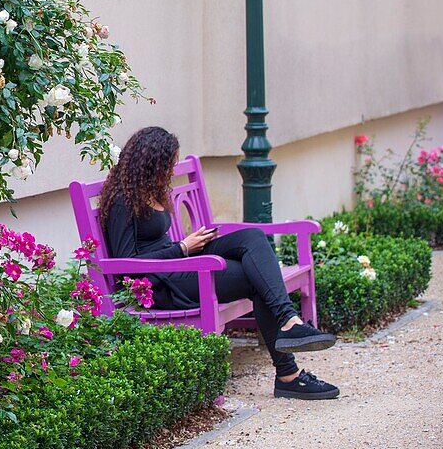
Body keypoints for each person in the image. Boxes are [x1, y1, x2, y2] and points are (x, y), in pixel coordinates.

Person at [100, 126, 340, 400]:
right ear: (151, 162)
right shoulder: (123, 202)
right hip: (161, 284)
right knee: (257, 278)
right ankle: (289, 373)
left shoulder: (148, 192)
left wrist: (190, 245)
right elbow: (125, 265)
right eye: (169, 163)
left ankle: (288, 321)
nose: (172, 169)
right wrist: (182, 248)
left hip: (180, 262)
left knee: (253, 236)